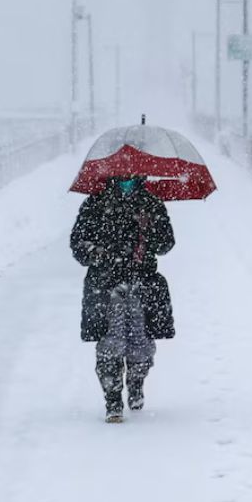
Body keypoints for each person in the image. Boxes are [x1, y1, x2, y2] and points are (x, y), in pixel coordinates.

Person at [70, 174, 175, 423]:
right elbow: (78, 244)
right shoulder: (95, 203)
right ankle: (113, 399)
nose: (126, 178)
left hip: (142, 284)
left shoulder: (151, 203)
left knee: (140, 343)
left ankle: (136, 382)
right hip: (105, 286)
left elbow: (166, 243)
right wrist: (99, 253)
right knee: (110, 343)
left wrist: (149, 228)